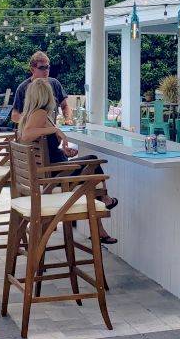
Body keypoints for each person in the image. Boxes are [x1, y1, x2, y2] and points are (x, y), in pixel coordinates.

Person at [17, 78, 118, 243]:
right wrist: (56, 129)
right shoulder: (40, 113)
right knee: (93, 164)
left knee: (89, 177)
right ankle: (105, 200)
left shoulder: (33, 114)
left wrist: (63, 150)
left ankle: (99, 229)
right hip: (54, 174)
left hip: (53, 167)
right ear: (46, 96)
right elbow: (26, 135)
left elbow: (44, 145)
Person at [11, 51, 72, 125]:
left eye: (47, 67)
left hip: (51, 129)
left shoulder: (55, 83)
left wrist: (68, 119)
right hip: (31, 131)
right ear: (32, 69)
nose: (46, 71)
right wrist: (33, 120)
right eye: (42, 68)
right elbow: (14, 115)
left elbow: (65, 106)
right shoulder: (23, 88)